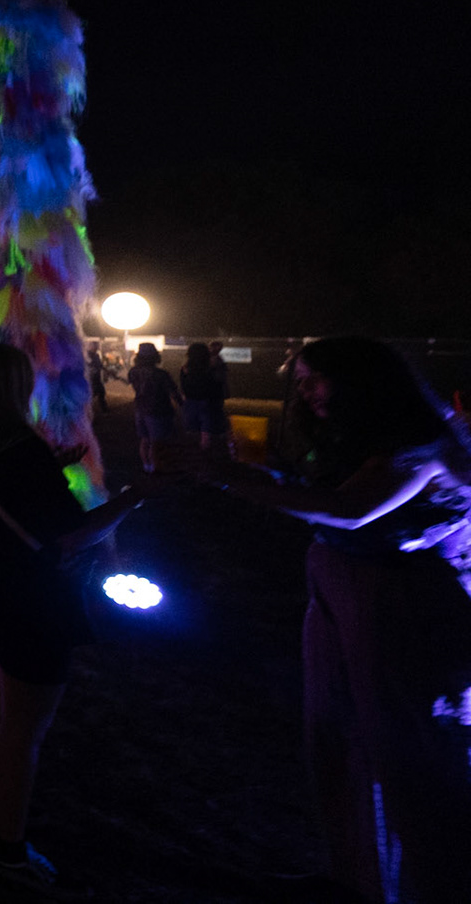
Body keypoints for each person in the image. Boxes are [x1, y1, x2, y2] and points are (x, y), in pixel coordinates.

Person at [214, 337, 471, 903]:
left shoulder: (420, 444)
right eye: (300, 381)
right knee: (336, 733)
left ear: (364, 383)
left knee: (409, 747)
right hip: (340, 582)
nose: (305, 392)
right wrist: (257, 472)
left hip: (403, 598)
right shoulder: (357, 439)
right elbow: (331, 496)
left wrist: (227, 477)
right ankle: (358, 878)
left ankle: (437, 886)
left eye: (316, 379)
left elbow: (350, 510)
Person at [0, 340, 155, 896]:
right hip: (28, 601)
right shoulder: (18, 449)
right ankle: (7, 849)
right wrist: (135, 496)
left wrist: (50, 469)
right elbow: (70, 536)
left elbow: (4, 501)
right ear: (11, 386)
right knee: (24, 725)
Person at [126, 343, 182, 473]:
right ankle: (156, 468)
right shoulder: (161, 374)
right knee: (157, 442)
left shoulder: (133, 372)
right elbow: (173, 391)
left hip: (140, 408)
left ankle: (147, 465)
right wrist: (181, 404)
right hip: (158, 409)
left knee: (145, 440)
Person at [178, 342, 230, 455]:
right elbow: (218, 386)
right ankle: (206, 455)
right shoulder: (210, 369)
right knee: (208, 434)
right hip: (208, 403)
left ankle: (193, 456)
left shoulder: (185, 369)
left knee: (192, 433)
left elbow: (183, 388)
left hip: (190, 403)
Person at [86, 342, 108, 415]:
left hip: (96, 379)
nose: (96, 348)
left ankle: (104, 409)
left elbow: (100, 365)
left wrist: (106, 370)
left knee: (101, 393)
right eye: (95, 346)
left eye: (96, 347)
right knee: (92, 395)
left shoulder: (96, 356)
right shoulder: (87, 356)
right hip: (91, 379)